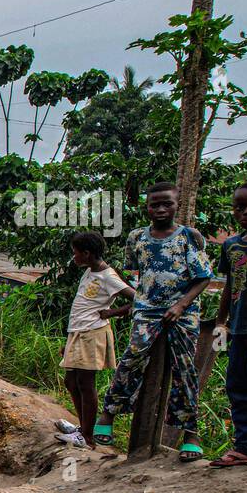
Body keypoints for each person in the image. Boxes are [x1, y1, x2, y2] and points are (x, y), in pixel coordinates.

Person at [95, 183, 213, 461]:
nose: (160, 209)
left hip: (183, 313)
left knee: (184, 369)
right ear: (147, 207)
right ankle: (108, 414)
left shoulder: (189, 237)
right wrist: (138, 302)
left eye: (166, 204)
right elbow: (135, 273)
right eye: (154, 204)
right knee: (132, 358)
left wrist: (180, 305)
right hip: (147, 310)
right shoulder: (137, 238)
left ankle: (190, 435)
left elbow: (204, 276)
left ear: (176, 205)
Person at [211, 178, 247, 468]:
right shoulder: (232, 245)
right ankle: (244, 445)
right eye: (240, 207)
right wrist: (221, 322)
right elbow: (228, 286)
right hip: (239, 327)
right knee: (237, 384)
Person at [58, 231, 135, 448]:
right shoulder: (91, 271)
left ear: (87, 253)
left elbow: (137, 298)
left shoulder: (108, 276)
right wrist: (69, 340)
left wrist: (112, 312)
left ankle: (87, 438)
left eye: (76, 253)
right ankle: (83, 428)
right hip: (79, 332)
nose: (74, 257)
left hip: (92, 333)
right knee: (71, 381)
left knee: (85, 382)